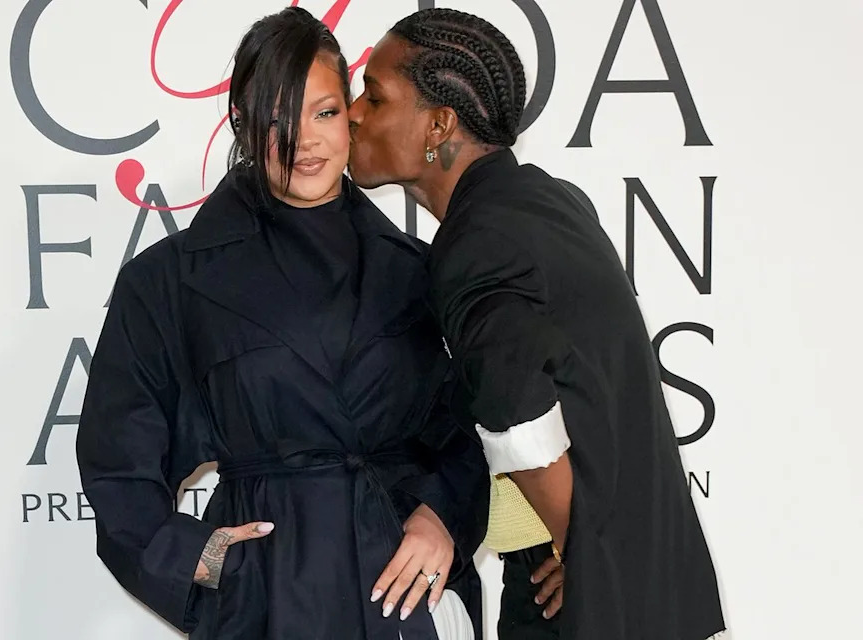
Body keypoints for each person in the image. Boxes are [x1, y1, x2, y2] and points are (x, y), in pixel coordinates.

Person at [76, 7, 487, 640]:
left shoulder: (417, 269)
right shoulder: (170, 281)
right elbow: (116, 466)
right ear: (240, 122)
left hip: (405, 598)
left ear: (350, 114)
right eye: (276, 120)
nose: (304, 143)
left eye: (322, 112)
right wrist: (207, 561)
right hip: (271, 601)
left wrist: (442, 519)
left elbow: (468, 431)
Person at [347, 8, 726, 640]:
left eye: (376, 97)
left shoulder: (476, 243)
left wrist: (582, 550)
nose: (356, 113)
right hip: (650, 570)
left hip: (590, 597)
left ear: (440, 123)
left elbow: (520, 420)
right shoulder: (547, 200)